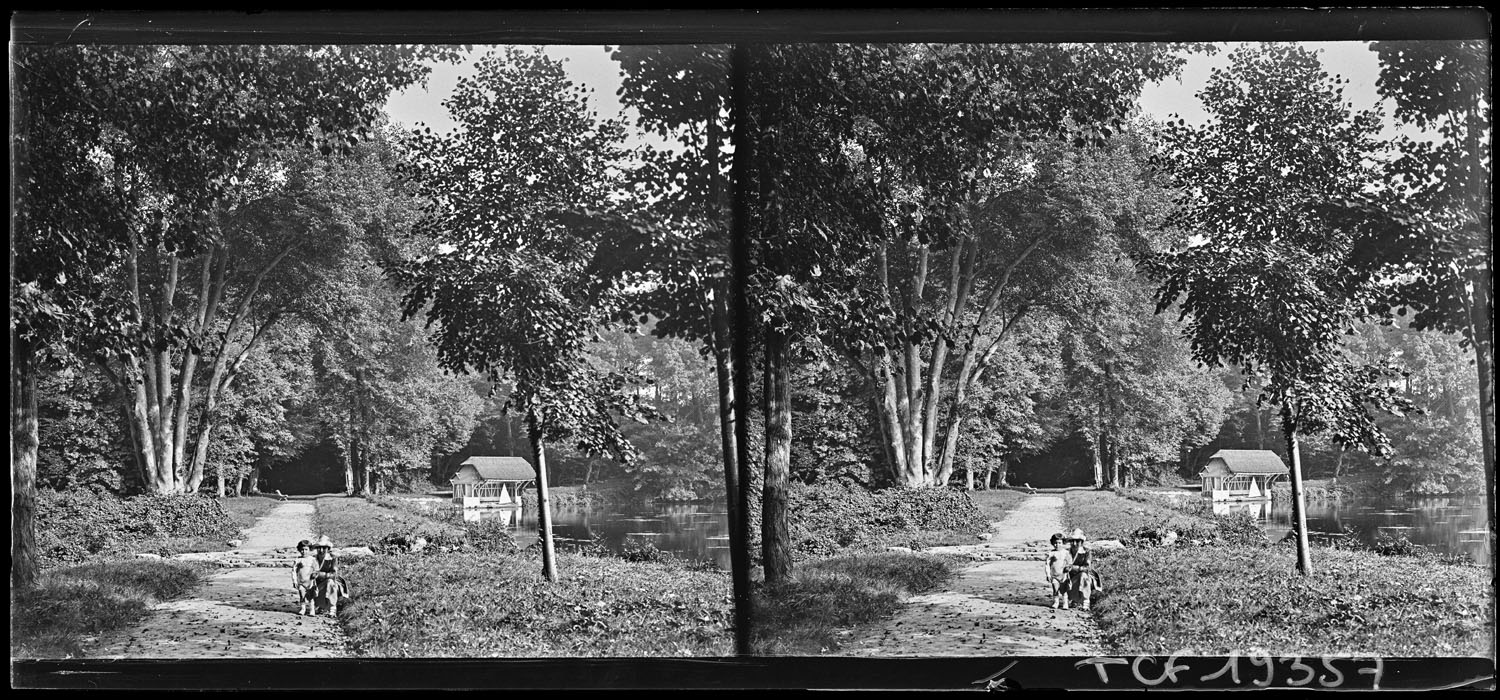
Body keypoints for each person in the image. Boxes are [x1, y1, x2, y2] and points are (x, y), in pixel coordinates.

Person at [1063, 528, 1104, 611]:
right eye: (1072, 541)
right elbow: (1063, 566)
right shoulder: (1066, 552)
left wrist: (1074, 568)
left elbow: (1087, 567)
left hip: (1084, 578)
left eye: (1077, 541)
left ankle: (1086, 600)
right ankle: (1073, 599)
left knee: (1083, 576)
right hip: (1070, 579)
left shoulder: (1086, 552)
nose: (1074, 544)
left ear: (1081, 542)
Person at [311, 535, 346, 616]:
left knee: (330, 583)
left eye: (324, 548)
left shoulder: (332, 559)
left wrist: (320, 574)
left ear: (328, 549)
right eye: (319, 548)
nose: (321, 550)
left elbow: (334, 574)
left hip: (330, 585)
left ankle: (332, 608)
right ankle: (320, 606)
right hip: (317, 586)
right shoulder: (313, 559)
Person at [1043, 532, 1071, 609]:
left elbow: (1069, 563)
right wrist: (1048, 574)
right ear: (1052, 543)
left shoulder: (1066, 553)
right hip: (1054, 575)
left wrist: (1068, 568)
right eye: (1055, 543)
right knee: (1055, 589)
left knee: (1064, 590)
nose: (1057, 545)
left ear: (1063, 543)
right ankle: (1056, 602)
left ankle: (1065, 603)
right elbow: (1047, 564)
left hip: (1063, 574)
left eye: (1059, 543)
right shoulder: (1051, 553)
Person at [291, 539, 317, 616]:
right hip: (301, 581)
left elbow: (316, 569)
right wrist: (294, 580)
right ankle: (303, 608)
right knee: (302, 595)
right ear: (299, 550)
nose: (304, 551)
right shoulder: (298, 560)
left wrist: (315, 574)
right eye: (302, 550)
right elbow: (294, 571)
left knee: (311, 596)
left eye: (306, 549)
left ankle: (312, 610)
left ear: (310, 550)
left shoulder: (312, 560)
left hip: (310, 581)